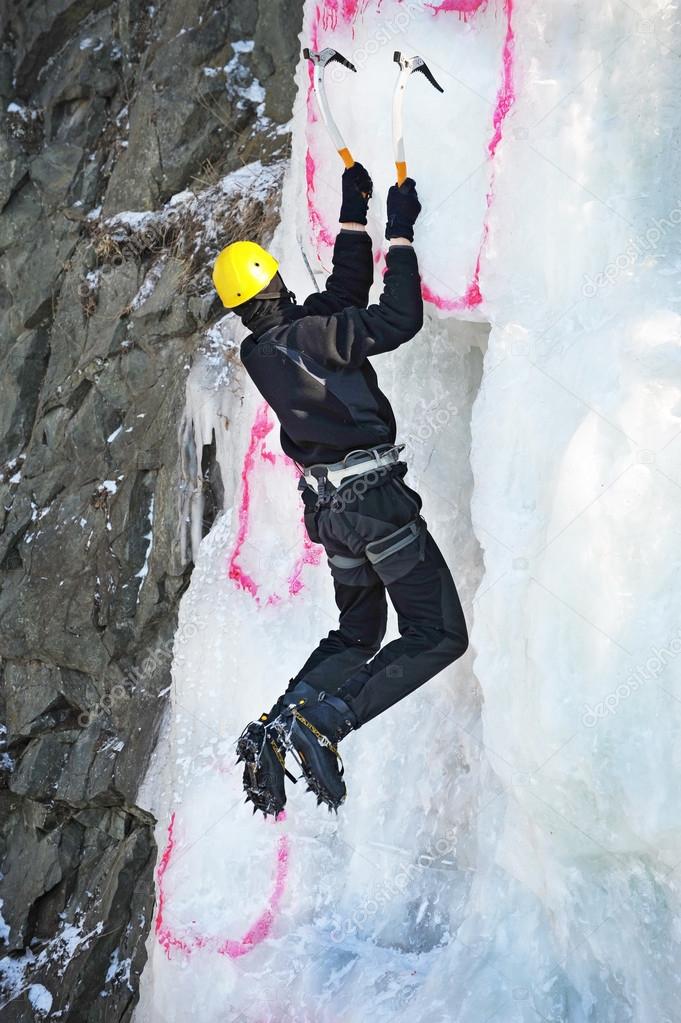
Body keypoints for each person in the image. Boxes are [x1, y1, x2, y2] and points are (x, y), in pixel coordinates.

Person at [212, 164, 468, 814]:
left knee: (359, 631)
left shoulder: (271, 347)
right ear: (272, 281)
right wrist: (402, 232)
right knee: (435, 632)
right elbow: (395, 316)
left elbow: (344, 291)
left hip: (330, 512)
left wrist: (356, 210)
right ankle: (329, 720)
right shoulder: (307, 337)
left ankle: (277, 727)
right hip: (372, 503)